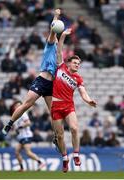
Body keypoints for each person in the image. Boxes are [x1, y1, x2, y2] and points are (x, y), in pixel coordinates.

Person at [2, 9, 61, 135]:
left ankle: (56, 135)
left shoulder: (59, 54)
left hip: (51, 85)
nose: (56, 40)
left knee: (53, 112)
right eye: (56, 39)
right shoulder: (50, 45)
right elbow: (53, 30)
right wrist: (56, 16)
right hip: (42, 81)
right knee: (27, 105)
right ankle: (10, 123)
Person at [51, 28, 97, 173]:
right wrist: (63, 35)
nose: (77, 65)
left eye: (79, 64)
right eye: (75, 63)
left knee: (75, 129)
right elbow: (59, 50)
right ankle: (65, 158)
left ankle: (76, 154)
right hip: (56, 105)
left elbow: (83, 93)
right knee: (59, 136)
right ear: (69, 63)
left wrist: (88, 101)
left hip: (68, 106)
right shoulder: (61, 67)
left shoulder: (78, 78)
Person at [12, 101, 45, 171]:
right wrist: (16, 130)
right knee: (17, 152)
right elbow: (16, 127)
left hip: (26, 136)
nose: (17, 107)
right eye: (16, 105)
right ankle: (22, 168)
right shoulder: (15, 116)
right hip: (21, 136)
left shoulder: (23, 114)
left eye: (18, 105)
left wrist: (20, 127)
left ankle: (41, 162)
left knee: (28, 152)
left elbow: (28, 123)